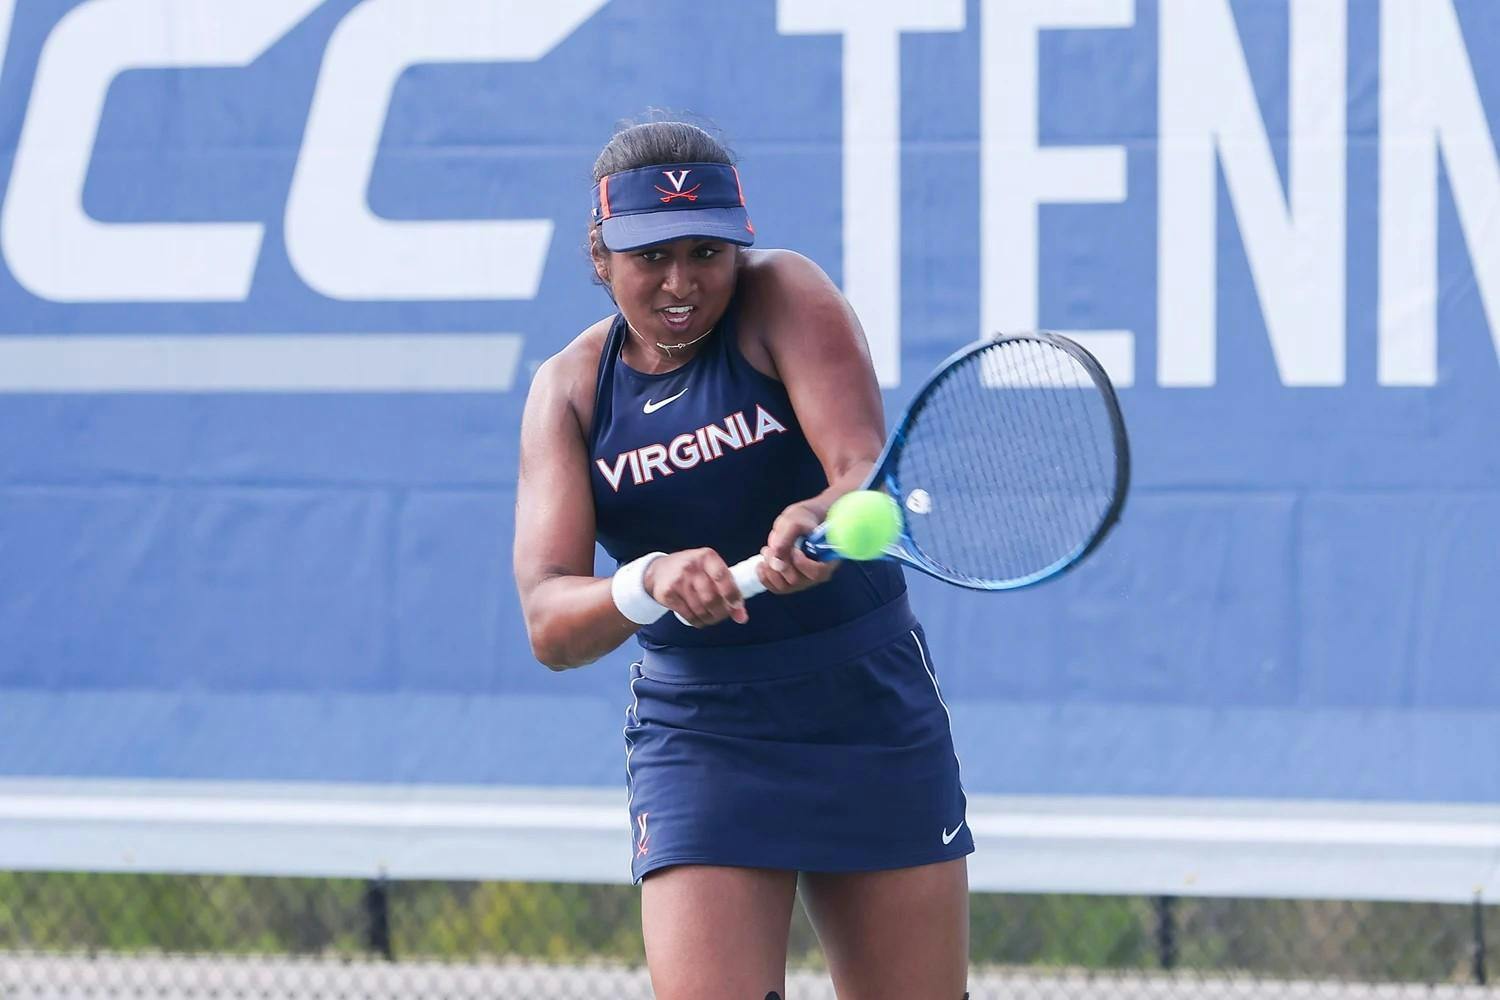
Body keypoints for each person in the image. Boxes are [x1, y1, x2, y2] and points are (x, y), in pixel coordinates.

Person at [514, 119, 973, 1000]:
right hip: (705, 734)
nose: (681, 282)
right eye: (650, 257)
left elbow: (859, 469)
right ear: (602, 258)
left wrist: (818, 517)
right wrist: (647, 580)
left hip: (866, 707)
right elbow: (550, 622)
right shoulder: (570, 392)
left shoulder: (784, 295)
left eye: (706, 252)